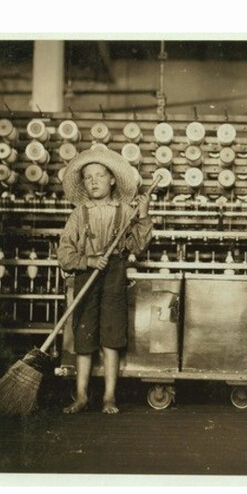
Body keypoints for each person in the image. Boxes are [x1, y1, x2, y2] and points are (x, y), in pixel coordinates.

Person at [57, 149, 152, 414]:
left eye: (99, 175)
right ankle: (81, 396)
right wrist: (87, 260)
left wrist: (143, 216)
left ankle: (109, 397)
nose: (94, 181)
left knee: (111, 336)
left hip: (114, 276)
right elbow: (64, 253)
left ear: (112, 180)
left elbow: (138, 245)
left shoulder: (126, 212)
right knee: (84, 337)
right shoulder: (79, 214)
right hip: (86, 277)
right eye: (88, 178)